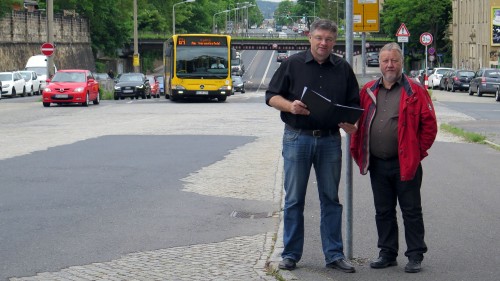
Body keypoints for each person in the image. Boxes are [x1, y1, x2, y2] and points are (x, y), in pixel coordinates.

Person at [265, 19, 360, 273]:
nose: (323, 43)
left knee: (331, 199)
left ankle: (334, 255)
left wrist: (352, 124)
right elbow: (271, 96)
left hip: (330, 139)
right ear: (310, 37)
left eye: (328, 39)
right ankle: (291, 255)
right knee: (294, 199)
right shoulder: (292, 64)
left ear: (334, 42)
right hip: (297, 137)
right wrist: (290, 106)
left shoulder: (343, 68)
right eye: (319, 37)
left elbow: (353, 104)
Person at [350, 42, 438, 273]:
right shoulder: (368, 90)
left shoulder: (415, 90)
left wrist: (415, 153)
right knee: (383, 211)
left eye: (394, 60)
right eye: (385, 60)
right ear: (379, 63)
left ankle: (415, 254)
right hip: (378, 163)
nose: (390, 65)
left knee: (411, 210)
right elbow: (358, 121)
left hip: (405, 164)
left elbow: (429, 127)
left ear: (401, 62)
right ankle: (387, 253)